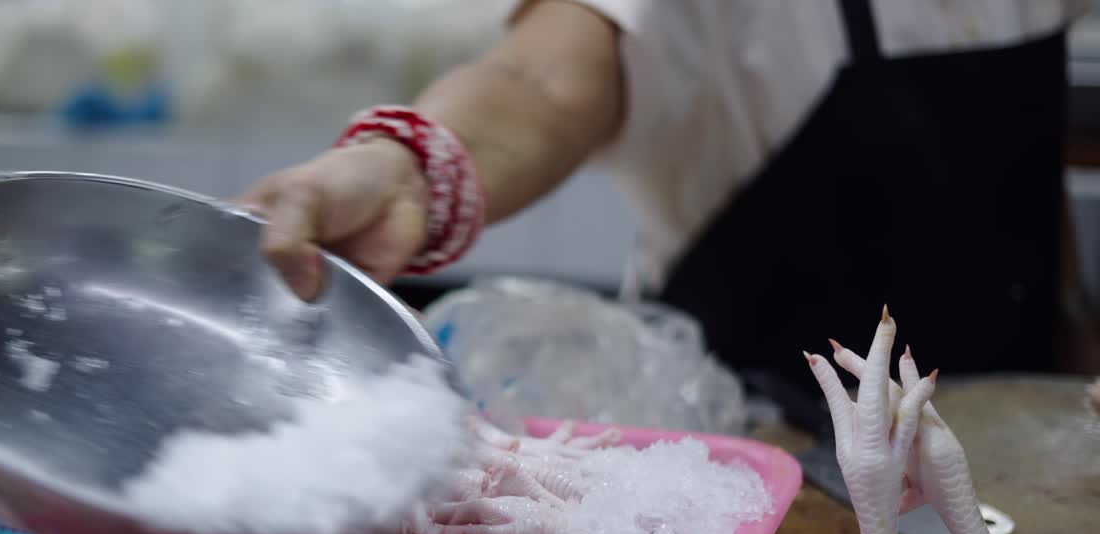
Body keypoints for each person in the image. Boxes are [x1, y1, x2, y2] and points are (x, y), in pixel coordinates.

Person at [241, 0, 1091, 413]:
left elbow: (1014, 155)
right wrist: (412, 166)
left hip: (1018, 436)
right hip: (772, 461)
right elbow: (540, 82)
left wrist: (1077, 331)